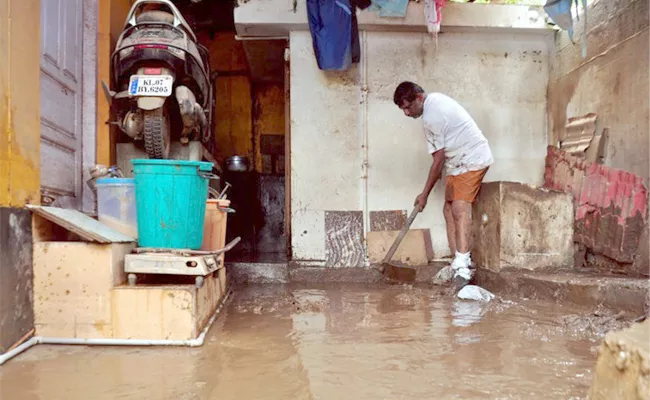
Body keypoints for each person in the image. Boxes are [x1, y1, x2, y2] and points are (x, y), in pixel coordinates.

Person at [393, 81, 493, 289]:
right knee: (448, 210)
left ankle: (464, 266)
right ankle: (457, 262)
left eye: (408, 107)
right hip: (457, 161)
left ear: (419, 98)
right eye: (402, 109)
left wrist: (424, 195)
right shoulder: (433, 105)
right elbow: (439, 161)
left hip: (472, 158)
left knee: (459, 208)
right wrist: (429, 187)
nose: (406, 113)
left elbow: (438, 162)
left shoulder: (432, 115)